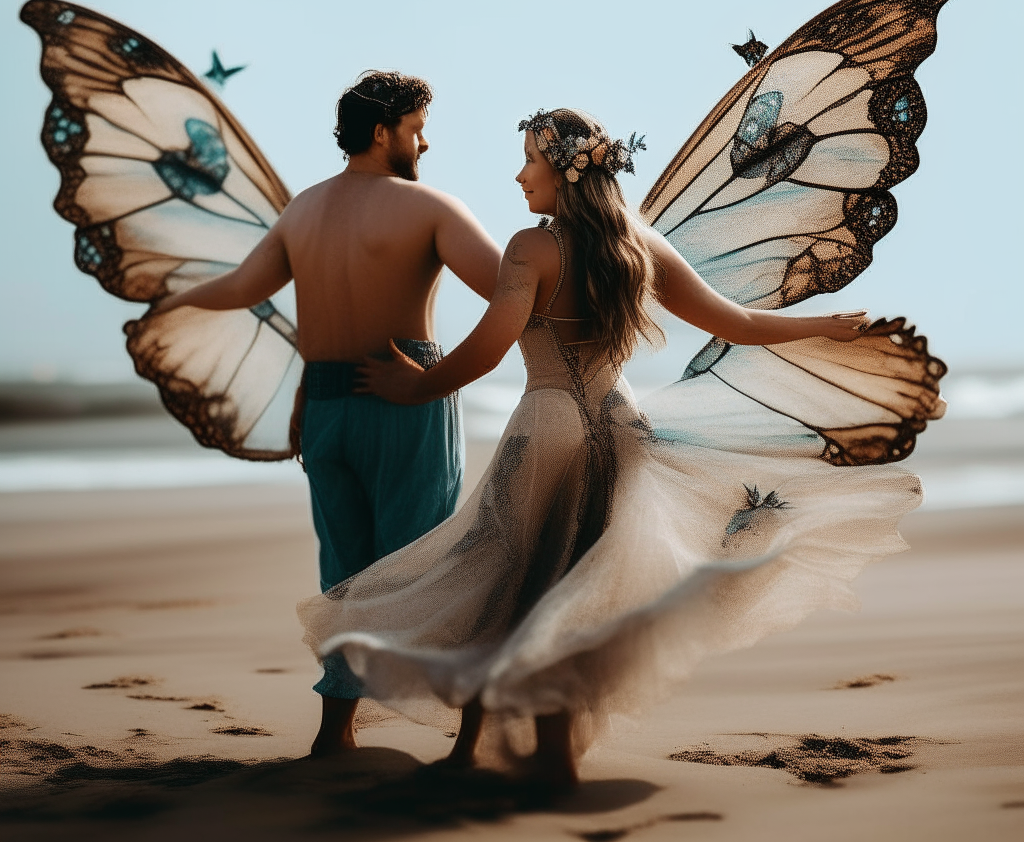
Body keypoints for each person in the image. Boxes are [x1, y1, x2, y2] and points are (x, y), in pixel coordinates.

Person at [298, 108, 924, 788]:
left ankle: (487, 748)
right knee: (581, 586)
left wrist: (417, 386)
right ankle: (533, 749)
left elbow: (487, 346)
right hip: (621, 426)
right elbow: (734, 323)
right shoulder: (638, 244)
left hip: (550, 426)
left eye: (528, 163)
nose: (518, 174)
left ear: (561, 173)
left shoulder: (530, 249)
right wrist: (821, 325)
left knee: (505, 578)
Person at [153, 71, 503, 757]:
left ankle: (334, 734)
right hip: (404, 396)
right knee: (430, 565)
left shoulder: (301, 211)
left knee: (342, 574)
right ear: (383, 131)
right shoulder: (430, 208)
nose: (424, 143)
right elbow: (510, 290)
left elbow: (240, 287)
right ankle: (469, 737)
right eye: (417, 127)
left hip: (326, 405)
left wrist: (170, 299)